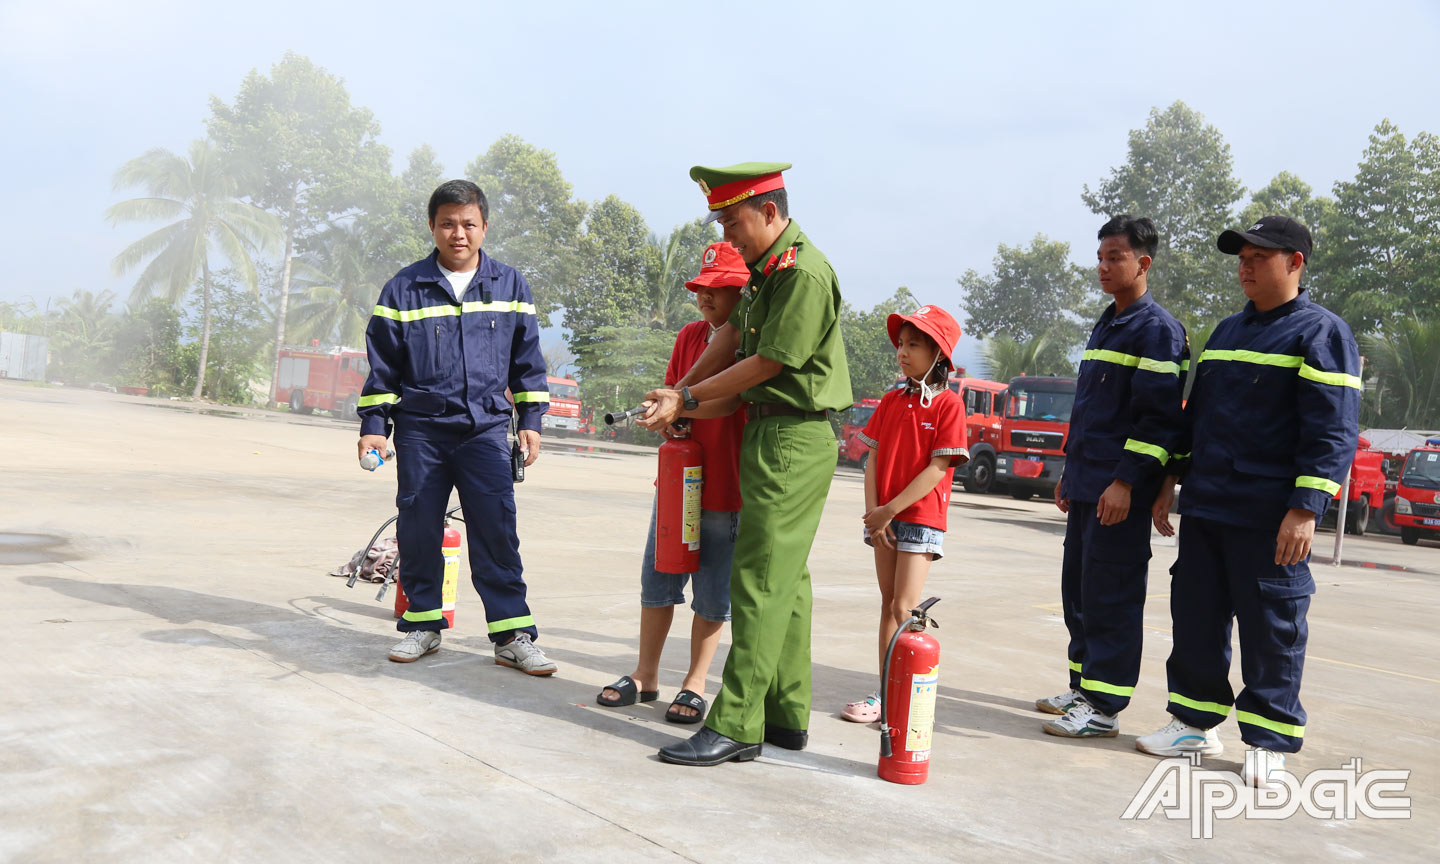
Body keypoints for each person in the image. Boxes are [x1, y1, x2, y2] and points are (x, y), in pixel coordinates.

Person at [638, 161, 852, 766]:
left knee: (757, 581)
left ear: (769, 211)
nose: (729, 236)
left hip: (791, 436)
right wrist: (680, 388)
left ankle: (735, 724)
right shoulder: (767, 270)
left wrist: (690, 398)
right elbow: (731, 338)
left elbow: (768, 365)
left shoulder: (802, 273)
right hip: (771, 433)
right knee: (789, 581)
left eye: (734, 222)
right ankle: (785, 713)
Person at [1140, 216, 1360, 787]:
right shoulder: (1227, 331)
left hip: (1270, 513)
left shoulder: (1322, 334)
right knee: (1196, 618)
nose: (1245, 265)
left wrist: (1306, 507)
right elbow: (1198, 415)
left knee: (1273, 627)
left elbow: (1332, 431)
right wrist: (1173, 478)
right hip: (1210, 503)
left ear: (1295, 263)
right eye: (1241, 256)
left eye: (1259, 256)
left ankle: (1268, 739)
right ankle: (1194, 722)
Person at [356, 179, 557, 675]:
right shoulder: (403, 288)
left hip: (485, 430)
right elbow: (383, 367)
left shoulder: (511, 286)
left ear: (485, 227)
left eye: (469, 223)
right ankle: (421, 626)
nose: (459, 233)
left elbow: (527, 362)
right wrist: (374, 425)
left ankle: (512, 634)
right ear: (432, 226)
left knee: (496, 530)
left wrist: (530, 419)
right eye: (448, 223)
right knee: (419, 526)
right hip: (422, 429)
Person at [1036, 215, 1189, 739]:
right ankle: (1082, 688)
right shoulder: (1108, 322)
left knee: (1112, 594)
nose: (1103, 267)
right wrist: (1067, 473)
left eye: (1115, 257)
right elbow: (1091, 410)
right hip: (1086, 483)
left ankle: (1104, 708)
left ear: (1143, 264)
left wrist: (1127, 482)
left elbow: (1159, 421)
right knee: (1078, 590)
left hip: (1117, 490)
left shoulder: (1158, 331)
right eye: (1100, 257)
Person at [597, 242, 749, 723]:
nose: (706, 299)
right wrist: (668, 423)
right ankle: (646, 674)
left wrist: (685, 404)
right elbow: (670, 395)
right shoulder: (689, 336)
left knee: (712, 592)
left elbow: (728, 401)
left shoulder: (749, 345)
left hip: (725, 487)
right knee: (659, 577)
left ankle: (696, 681)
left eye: (718, 290)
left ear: (742, 294)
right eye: (701, 289)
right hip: (678, 485)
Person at [841, 305, 968, 723]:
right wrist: (873, 514)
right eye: (901, 344)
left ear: (939, 355)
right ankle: (885, 694)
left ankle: (906, 695)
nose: (903, 352)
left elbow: (937, 469)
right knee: (887, 605)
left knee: (905, 608)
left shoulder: (949, 406)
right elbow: (872, 459)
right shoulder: (892, 400)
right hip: (884, 519)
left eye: (914, 344)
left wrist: (889, 510)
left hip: (920, 520)